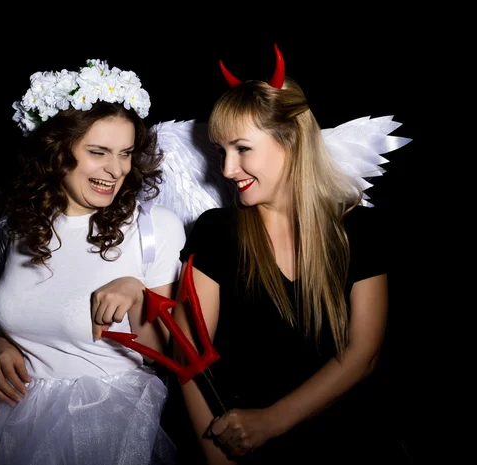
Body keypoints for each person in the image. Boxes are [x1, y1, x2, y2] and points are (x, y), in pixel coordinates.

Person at [0, 59, 186, 465]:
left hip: (103, 421)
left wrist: (136, 294)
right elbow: (20, 313)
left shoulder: (155, 229)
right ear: (56, 152)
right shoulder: (17, 223)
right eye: (97, 152)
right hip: (8, 414)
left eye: (125, 153)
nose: (116, 169)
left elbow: (166, 357)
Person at [169, 45, 411, 464]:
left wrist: (272, 421)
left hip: (354, 444)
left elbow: (363, 354)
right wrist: (216, 457)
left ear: (293, 140)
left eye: (242, 149)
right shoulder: (215, 231)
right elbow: (187, 353)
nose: (227, 169)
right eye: (222, 151)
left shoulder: (359, 230)